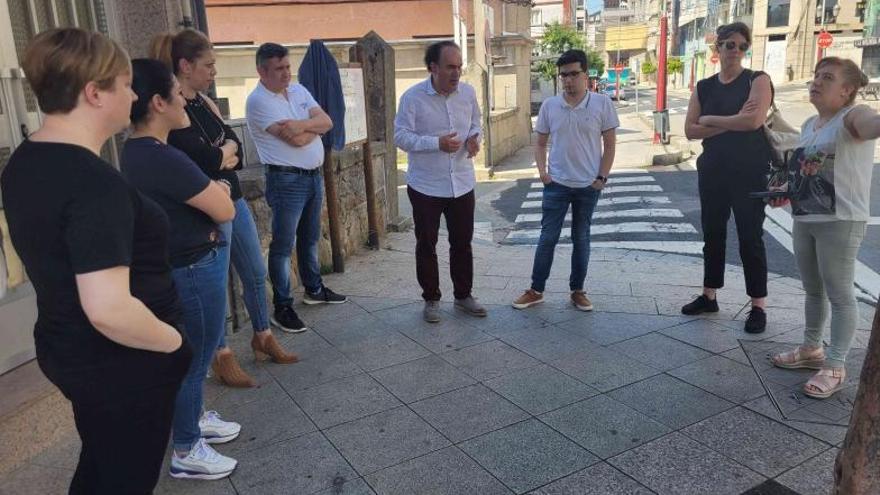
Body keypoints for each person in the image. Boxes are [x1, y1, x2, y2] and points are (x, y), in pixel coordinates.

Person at [0, 29, 191, 494]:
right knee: (124, 477)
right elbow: (108, 309)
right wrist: (174, 346)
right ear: (94, 92)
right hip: (122, 364)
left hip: (72, 349)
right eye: (125, 84)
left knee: (103, 467)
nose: (133, 94)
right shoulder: (91, 182)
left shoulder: (26, 160)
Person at [151, 30, 297, 390]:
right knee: (216, 287)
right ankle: (221, 356)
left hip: (234, 201)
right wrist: (222, 153)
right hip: (205, 209)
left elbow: (235, 152)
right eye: (209, 64)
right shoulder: (175, 110)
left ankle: (262, 335)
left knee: (253, 270)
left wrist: (223, 153)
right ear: (185, 66)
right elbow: (206, 159)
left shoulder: (205, 102)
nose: (214, 71)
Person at [122, 58, 240, 480]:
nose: (184, 102)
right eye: (176, 93)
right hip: (190, 267)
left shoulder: (147, 152)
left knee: (200, 351)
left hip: (188, 262)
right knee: (194, 355)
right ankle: (187, 447)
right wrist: (219, 188)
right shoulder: (158, 156)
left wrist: (216, 188)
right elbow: (223, 207)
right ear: (157, 102)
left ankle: (195, 419)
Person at [771, 57, 878, 399]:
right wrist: (785, 191)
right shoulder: (809, 125)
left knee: (840, 293)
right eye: (816, 76)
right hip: (805, 218)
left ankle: (835, 364)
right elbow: (807, 172)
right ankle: (811, 349)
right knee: (813, 290)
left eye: (827, 78)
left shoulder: (853, 117)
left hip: (841, 220)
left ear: (847, 90)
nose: (816, 82)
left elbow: (873, 124)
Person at [245, 42, 347, 332]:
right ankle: (283, 305)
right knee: (283, 245)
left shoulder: (299, 91)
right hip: (286, 180)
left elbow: (327, 121)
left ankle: (314, 289)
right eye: (279, 69)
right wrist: (310, 127)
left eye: (288, 66)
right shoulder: (258, 102)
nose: (286, 73)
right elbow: (297, 140)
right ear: (262, 71)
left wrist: (302, 125)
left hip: (313, 176)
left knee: (310, 237)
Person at [681, 22, 774, 334]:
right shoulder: (704, 87)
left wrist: (710, 119)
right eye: (729, 44)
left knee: (750, 237)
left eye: (741, 45)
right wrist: (733, 121)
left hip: (750, 171)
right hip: (713, 170)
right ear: (717, 48)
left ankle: (758, 305)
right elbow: (690, 130)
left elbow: (754, 121)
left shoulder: (757, 80)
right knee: (712, 234)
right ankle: (709, 295)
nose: (735, 51)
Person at [512, 49, 618, 311]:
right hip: (556, 184)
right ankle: (536, 289)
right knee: (547, 237)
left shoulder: (602, 104)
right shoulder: (550, 105)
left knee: (581, 237)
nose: (568, 80)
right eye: (564, 75)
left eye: (574, 74)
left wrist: (601, 177)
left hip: (587, 186)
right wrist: (542, 173)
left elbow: (610, 145)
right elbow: (539, 143)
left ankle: (578, 290)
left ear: (586, 75)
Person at [394, 40, 487, 323]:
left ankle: (463, 296)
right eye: (450, 67)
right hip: (426, 186)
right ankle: (431, 299)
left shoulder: (468, 93)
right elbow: (400, 137)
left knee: (462, 243)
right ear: (433, 68)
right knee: (427, 244)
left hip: (462, 182)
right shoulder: (412, 98)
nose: (456, 73)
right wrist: (436, 143)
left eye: (459, 67)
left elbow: (476, 123)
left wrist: (474, 139)